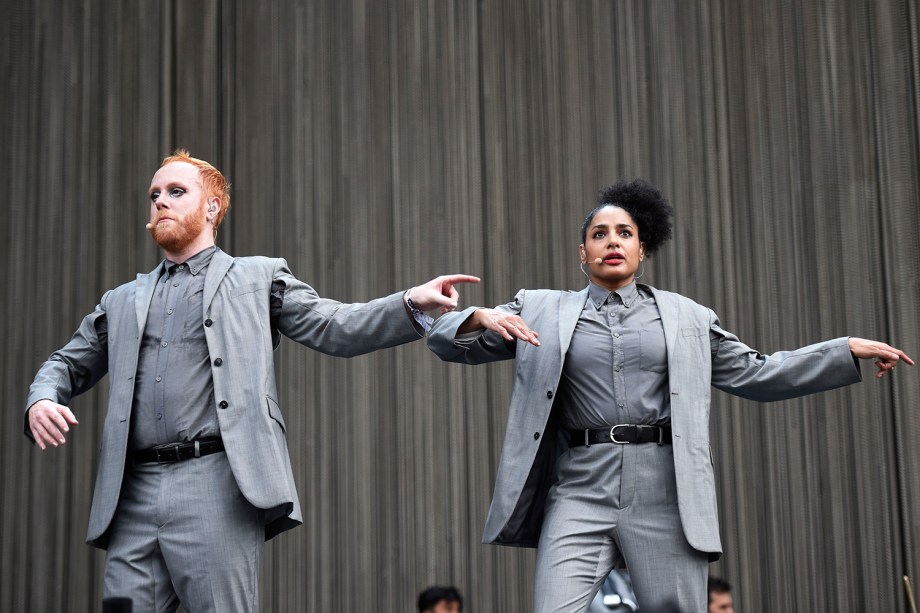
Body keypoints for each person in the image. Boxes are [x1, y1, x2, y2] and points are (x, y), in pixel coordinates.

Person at [426, 178, 913, 613]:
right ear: (582, 253)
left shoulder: (688, 318)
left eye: (625, 233)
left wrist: (843, 350)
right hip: (578, 488)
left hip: (666, 491)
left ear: (642, 250)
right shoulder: (539, 309)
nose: (612, 241)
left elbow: (758, 373)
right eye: (599, 234)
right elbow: (447, 342)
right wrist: (476, 317)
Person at [24, 150, 479, 612]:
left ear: (212, 207)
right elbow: (65, 363)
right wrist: (42, 398)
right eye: (154, 195)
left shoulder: (258, 278)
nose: (160, 201)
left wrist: (410, 302)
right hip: (132, 493)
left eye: (176, 192)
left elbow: (334, 325)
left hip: (216, 486)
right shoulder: (121, 300)